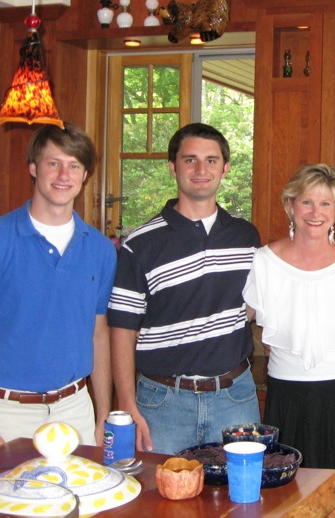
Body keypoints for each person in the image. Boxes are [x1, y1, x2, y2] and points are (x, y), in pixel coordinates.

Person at [107, 122, 261, 455]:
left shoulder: (246, 238)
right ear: (173, 167)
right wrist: (127, 404)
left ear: (225, 168)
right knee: (159, 502)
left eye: (211, 160)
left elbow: (251, 306)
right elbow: (122, 329)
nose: (201, 169)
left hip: (234, 398)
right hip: (162, 403)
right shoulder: (140, 243)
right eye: (190, 160)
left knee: (240, 502)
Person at [0, 122, 116, 447]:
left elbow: (99, 335)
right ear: (33, 167)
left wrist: (103, 416)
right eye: (53, 163)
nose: (64, 175)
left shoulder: (100, 249)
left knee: (83, 499)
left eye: (74, 166)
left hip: (76, 410)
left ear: (84, 175)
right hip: (6, 412)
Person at [243, 163, 335, 517]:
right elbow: (252, 321)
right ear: (290, 205)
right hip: (288, 395)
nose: (315, 213)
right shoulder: (264, 261)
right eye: (307, 202)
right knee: (289, 500)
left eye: (326, 204)